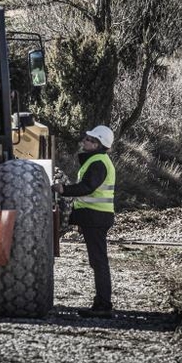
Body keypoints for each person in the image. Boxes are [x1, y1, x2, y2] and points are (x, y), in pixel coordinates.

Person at [52, 125, 116, 318]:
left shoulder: (98, 162)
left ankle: (103, 306)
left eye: (90, 140)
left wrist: (63, 190)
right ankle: (101, 303)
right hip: (93, 216)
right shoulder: (97, 160)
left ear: (98, 144)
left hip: (95, 217)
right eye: (86, 138)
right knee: (97, 261)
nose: (85, 141)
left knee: (99, 262)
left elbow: (87, 188)